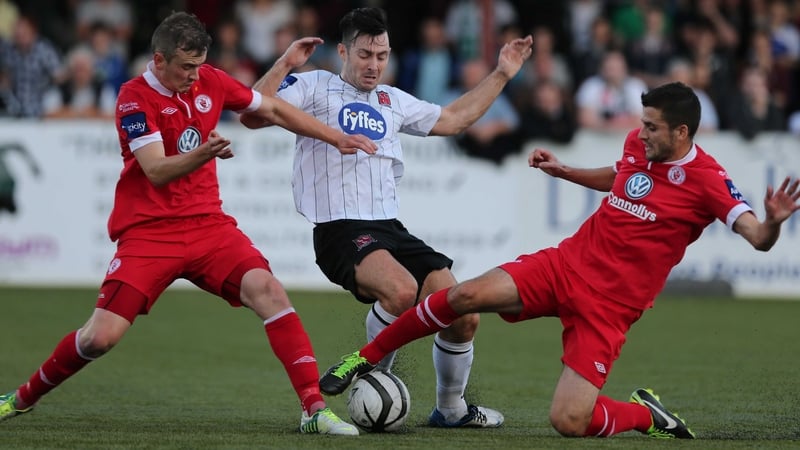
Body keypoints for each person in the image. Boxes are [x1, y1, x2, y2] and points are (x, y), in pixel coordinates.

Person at [318, 82, 800, 439]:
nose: (640, 133)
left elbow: (757, 237)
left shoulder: (709, 179)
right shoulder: (639, 147)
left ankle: (644, 414)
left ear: (682, 131)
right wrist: (565, 171)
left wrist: (774, 221)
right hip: (565, 265)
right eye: (641, 123)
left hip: (609, 308)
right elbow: (620, 175)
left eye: (651, 127)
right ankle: (363, 358)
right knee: (462, 295)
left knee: (569, 421)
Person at [0, 11, 378, 436]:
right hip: (149, 234)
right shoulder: (132, 98)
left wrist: (336, 137)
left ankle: (313, 408)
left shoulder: (208, 80)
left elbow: (269, 107)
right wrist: (206, 152)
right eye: (185, 67)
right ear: (158, 60)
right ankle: (21, 398)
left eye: (199, 66)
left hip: (208, 227)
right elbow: (157, 170)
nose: (194, 76)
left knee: (269, 291)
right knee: (98, 338)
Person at [240, 7, 532, 428]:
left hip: (391, 230)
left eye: (381, 55)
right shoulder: (313, 86)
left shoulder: (392, 100)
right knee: (400, 290)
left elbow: (453, 120)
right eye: (364, 55)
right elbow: (252, 115)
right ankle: (375, 376)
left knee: (463, 313)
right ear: (343, 51)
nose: (373, 65)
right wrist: (285, 63)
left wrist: (502, 73)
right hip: (340, 230)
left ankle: (450, 409)